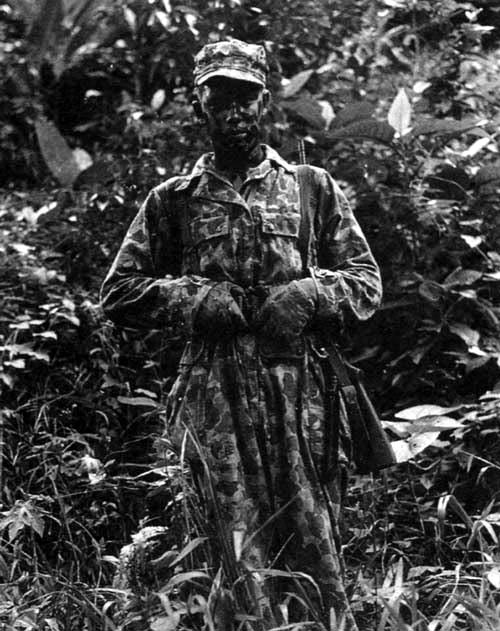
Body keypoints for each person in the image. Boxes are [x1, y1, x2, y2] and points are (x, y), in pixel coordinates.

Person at [101, 38, 383, 630]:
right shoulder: (172, 201)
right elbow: (118, 293)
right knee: (228, 551)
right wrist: (194, 297)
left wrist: (309, 294)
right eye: (220, 97)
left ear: (266, 101)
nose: (235, 110)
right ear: (197, 105)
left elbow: (365, 282)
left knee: (314, 546)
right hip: (215, 399)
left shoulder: (312, 188)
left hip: (301, 397)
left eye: (247, 97)